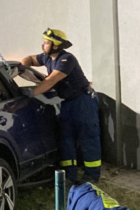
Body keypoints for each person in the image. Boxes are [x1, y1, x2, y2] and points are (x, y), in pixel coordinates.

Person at [20, 28, 100, 183]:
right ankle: (69, 175)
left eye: (46, 42)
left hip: (83, 101)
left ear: (55, 46)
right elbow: (30, 59)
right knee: (66, 138)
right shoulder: (47, 58)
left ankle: (92, 176)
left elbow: (50, 81)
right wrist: (21, 67)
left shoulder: (66, 60)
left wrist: (30, 94)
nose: (43, 44)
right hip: (68, 103)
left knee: (88, 138)